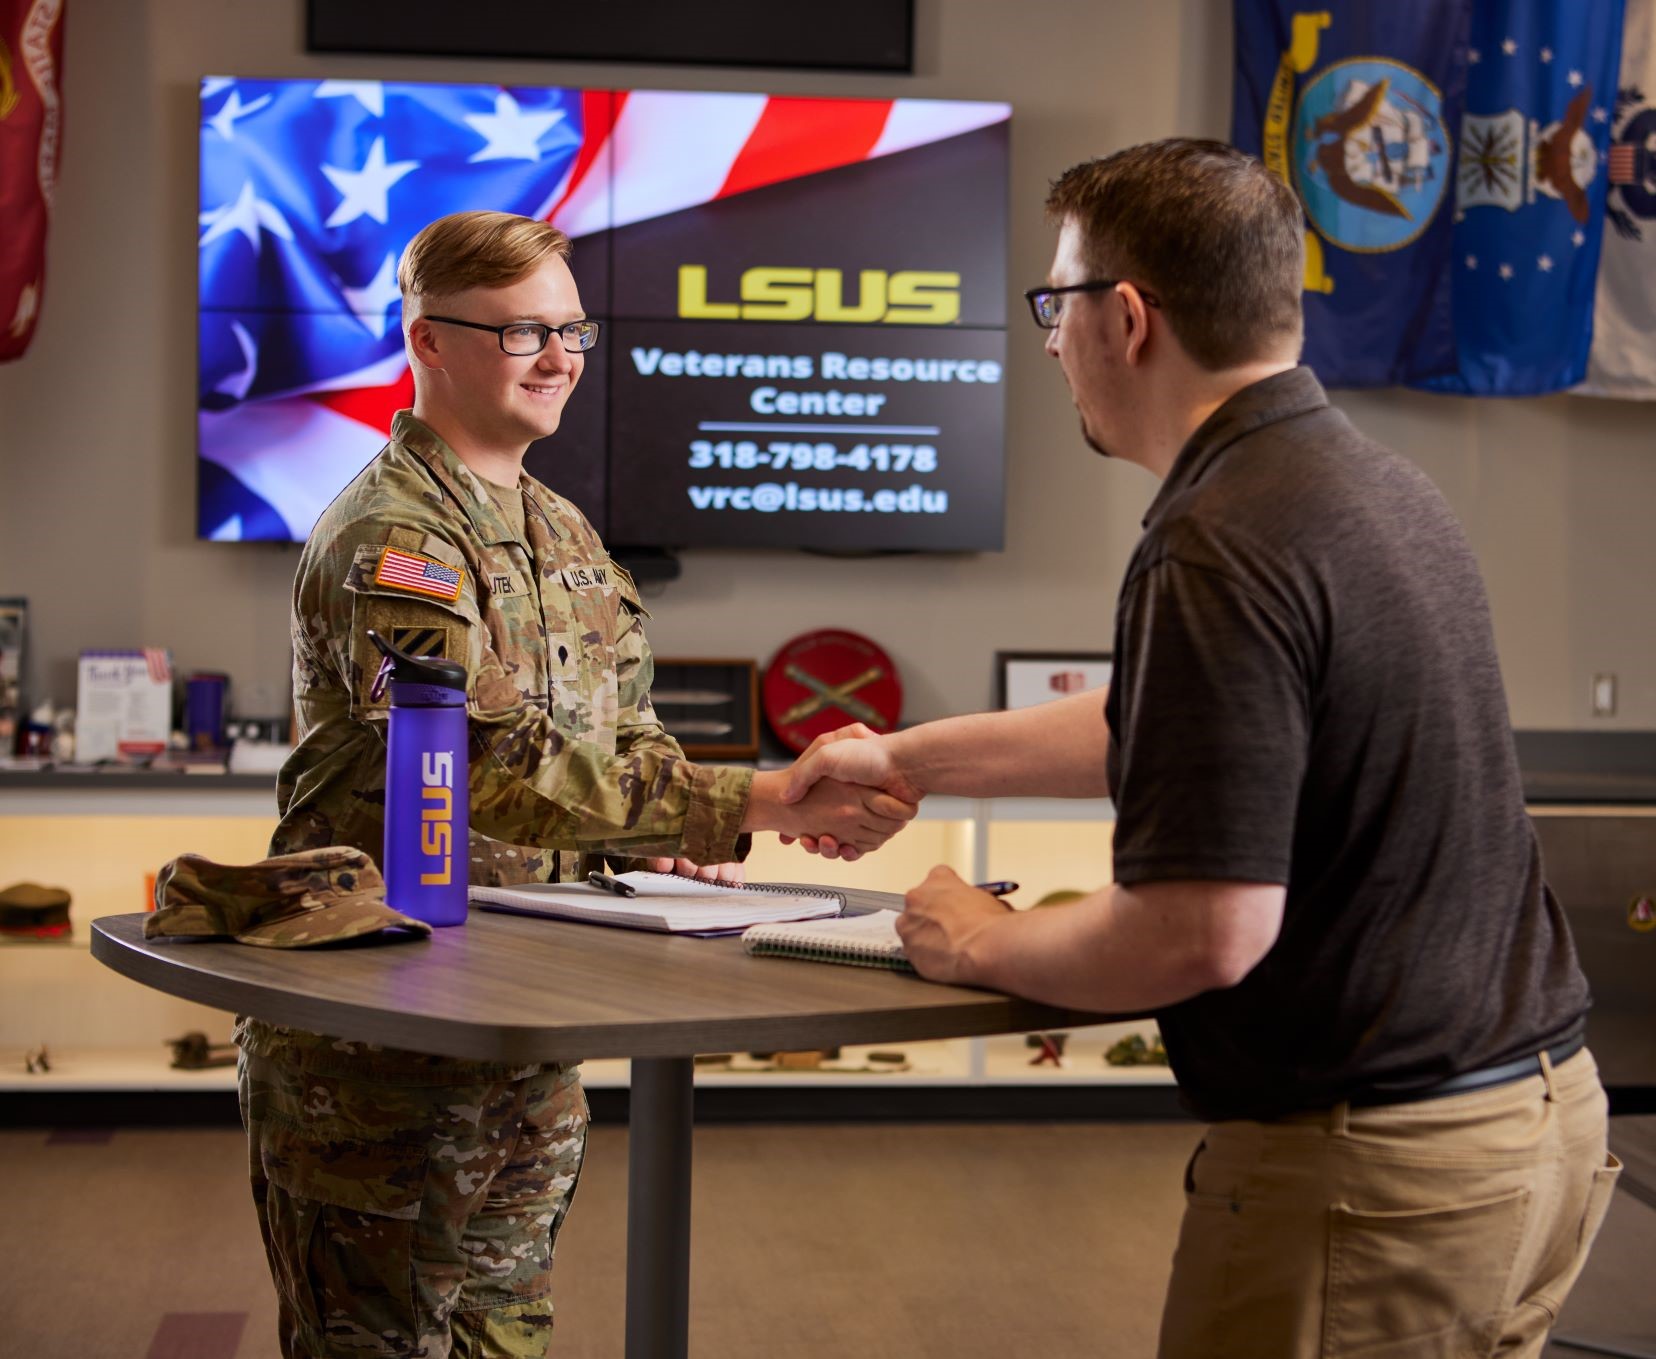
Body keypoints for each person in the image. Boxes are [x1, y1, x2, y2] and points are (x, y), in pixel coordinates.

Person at [782, 140, 1619, 1357]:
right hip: (1536, 1125)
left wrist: (978, 940)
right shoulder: (1369, 485)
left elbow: (1205, 930)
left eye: (1056, 305)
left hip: (1378, 1172)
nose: (1050, 337)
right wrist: (915, 759)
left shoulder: (1217, 540)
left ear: (1127, 317)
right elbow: (1170, 720)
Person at [238, 209, 916, 1359]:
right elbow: (480, 765)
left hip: (528, 1032)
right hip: (384, 1062)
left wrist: (664, 840)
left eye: (573, 330)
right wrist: (749, 799)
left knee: (508, 1336)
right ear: (430, 341)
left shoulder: (563, 532)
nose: (561, 359)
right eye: (524, 334)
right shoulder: (393, 537)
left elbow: (622, 740)